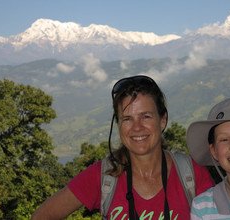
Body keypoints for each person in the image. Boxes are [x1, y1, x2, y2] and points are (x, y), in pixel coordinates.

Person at [31, 75, 214, 219]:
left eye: (146, 116)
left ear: (163, 120)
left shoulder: (192, 174)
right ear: (118, 125)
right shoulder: (103, 176)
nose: (137, 127)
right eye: (127, 119)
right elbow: (42, 216)